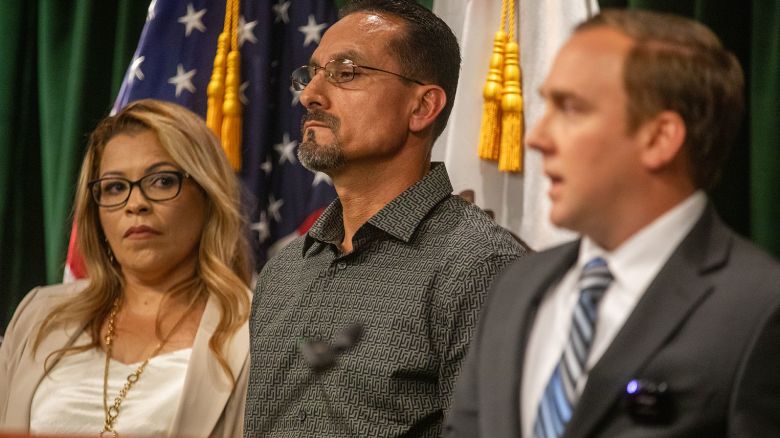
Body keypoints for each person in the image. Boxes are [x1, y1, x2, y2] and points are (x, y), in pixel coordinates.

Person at [446, 9, 780, 438]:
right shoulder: (516, 286)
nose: (536, 137)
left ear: (659, 139)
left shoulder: (760, 308)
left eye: (571, 108)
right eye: (546, 105)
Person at [243, 0, 526, 436]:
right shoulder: (285, 269)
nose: (309, 95)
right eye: (312, 73)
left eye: (345, 72)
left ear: (422, 107)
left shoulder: (480, 265)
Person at [0, 99, 252, 437]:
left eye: (162, 181)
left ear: (207, 195)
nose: (136, 204)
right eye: (115, 187)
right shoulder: (39, 314)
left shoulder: (254, 331)